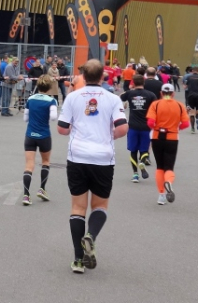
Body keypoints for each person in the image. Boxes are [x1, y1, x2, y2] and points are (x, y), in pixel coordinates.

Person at [57, 59, 128, 274]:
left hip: (77, 156)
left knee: (78, 208)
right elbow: (122, 128)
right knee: (100, 206)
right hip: (102, 158)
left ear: (83, 76)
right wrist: (108, 136)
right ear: (103, 76)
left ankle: (78, 260)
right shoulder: (113, 98)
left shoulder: (72, 97)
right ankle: (91, 236)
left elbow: (62, 129)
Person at [146, 83, 190, 205]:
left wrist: (157, 128)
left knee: (160, 166)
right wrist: (176, 128)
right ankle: (169, 182)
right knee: (169, 167)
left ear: (161, 93)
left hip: (157, 137)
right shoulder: (179, 105)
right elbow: (186, 124)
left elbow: (150, 122)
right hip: (172, 137)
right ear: (173, 93)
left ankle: (161, 195)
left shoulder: (155, 104)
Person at [22, 75, 59, 205]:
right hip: (44, 135)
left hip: (30, 135)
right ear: (49, 87)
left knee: (29, 165)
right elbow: (53, 117)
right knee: (46, 161)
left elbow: (25, 119)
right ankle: (42, 189)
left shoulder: (30, 99)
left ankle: (26, 195)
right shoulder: (51, 101)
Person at [120, 75, 157, 183]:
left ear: (133, 83)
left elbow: (120, 97)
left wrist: (129, 91)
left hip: (133, 126)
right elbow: (156, 107)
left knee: (133, 150)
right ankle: (142, 161)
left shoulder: (130, 93)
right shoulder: (150, 95)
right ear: (144, 83)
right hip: (146, 126)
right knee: (144, 149)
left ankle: (135, 174)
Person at [184, 66, 198, 133]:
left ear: (192, 71)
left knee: (191, 113)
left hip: (190, 96)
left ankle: (192, 129)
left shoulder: (188, 77)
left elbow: (185, 86)